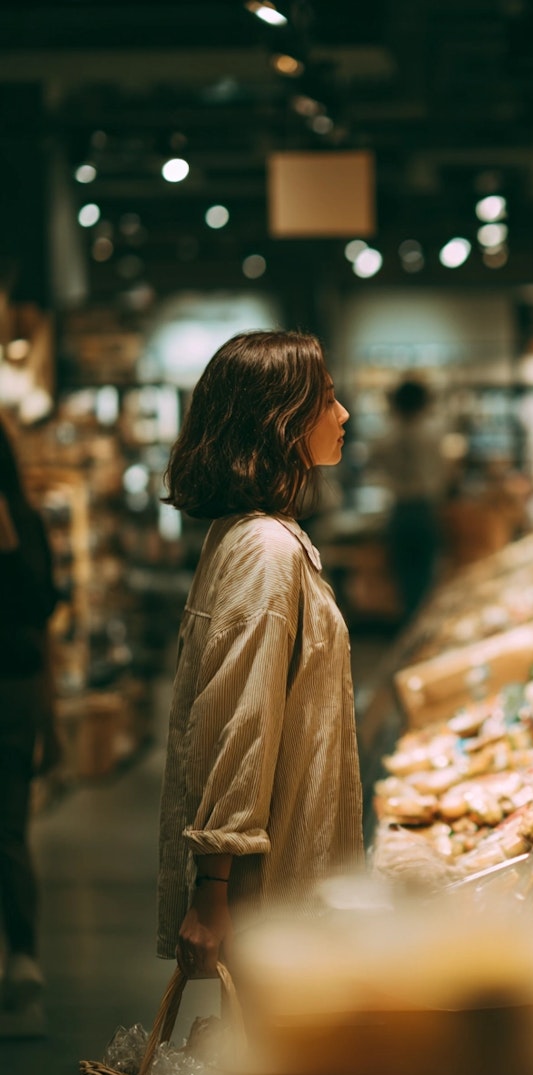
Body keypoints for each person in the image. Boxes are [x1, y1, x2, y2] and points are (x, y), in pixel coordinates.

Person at [156, 330, 364, 979]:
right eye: (327, 398)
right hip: (267, 897)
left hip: (275, 886)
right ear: (282, 420)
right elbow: (238, 722)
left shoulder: (245, 534)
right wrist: (211, 890)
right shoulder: (267, 552)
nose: (344, 414)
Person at [0, 415, 60, 1039]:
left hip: (13, 691)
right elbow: (43, 626)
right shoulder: (30, 520)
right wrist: (52, 716)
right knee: (10, 831)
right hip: (16, 692)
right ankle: (22, 959)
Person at [374, 377, 448, 622]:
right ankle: (421, 629)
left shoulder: (385, 436)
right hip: (425, 509)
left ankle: (409, 625)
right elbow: (445, 474)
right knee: (426, 577)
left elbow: (376, 468)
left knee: (404, 577)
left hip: (398, 510)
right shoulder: (433, 433)